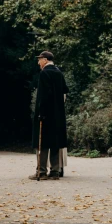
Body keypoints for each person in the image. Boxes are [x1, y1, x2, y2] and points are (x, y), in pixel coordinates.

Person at [30, 50, 69, 180]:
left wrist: (41, 112)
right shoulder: (59, 73)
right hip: (58, 114)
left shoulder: (44, 73)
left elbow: (43, 96)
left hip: (46, 113)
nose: (38, 62)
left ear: (45, 60)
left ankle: (41, 171)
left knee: (43, 142)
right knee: (55, 142)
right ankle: (55, 171)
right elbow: (64, 91)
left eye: (39, 59)